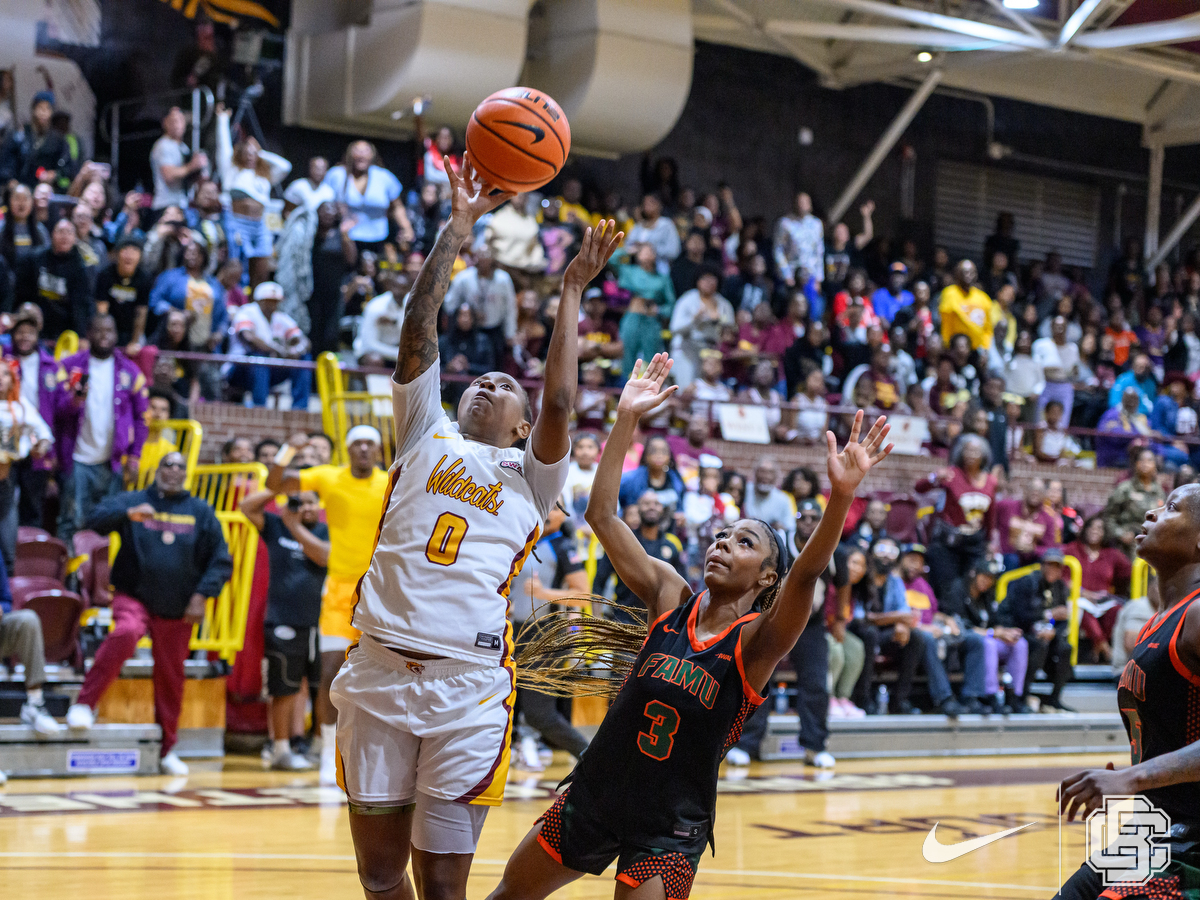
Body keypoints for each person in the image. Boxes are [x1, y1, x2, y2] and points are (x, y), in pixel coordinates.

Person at [488, 354, 890, 899]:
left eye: (744, 542)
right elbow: (602, 516)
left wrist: (841, 496)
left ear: (767, 574)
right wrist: (626, 417)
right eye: (723, 534)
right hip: (596, 792)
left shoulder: (757, 641)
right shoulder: (669, 596)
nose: (724, 542)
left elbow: (808, 573)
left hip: (670, 828)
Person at [324, 159, 606, 900]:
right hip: (379, 669)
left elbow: (562, 404)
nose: (488, 382)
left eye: (506, 385)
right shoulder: (425, 432)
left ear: (520, 425)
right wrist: (457, 228)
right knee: (380, 875)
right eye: (480, 377)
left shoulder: (534, 473)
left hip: (468, 687)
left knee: (444, 885)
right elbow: (419, 329)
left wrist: (570, 290)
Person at [1056, 484, 1200, 899]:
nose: (1153, 512)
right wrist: (1146, 770)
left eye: (1171, 508)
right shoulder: (1157, 622)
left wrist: (1136, 778)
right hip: (1156, 831)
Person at [66, 452, 232, 775]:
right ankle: (85, 703)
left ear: (186, 473)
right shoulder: (135, 500)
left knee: (172, 677)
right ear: (158, 471)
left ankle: (168, 748)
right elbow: (93, 518)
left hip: (179, 606)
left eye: (179, 466)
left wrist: (201, 596)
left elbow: (220, 560)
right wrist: (127, 513)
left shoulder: (200, 511)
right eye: (167, 465)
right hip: (134, 595)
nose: (173, 470)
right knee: (126, 632)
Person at [265, 424, 389, 786]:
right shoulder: (327, 476)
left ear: (378, 452)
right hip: (337, 592)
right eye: (357, 443)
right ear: (348, 450)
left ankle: (376, 754)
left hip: (380, 591)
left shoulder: (390, 482)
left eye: (370, 444)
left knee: (384, 675)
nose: (364, 449)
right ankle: (324, 752)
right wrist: (289, 448)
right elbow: (275, 485)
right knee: (331, 674)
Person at [240, 487, 329, 771]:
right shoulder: (277, 525)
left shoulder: (328, 530)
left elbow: (324, 557)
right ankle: (280, 749)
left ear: (319, 505)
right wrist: (275, 489)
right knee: (284, 687)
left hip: (323, 621)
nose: (304, 508)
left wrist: (294, 526)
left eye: (310, 502)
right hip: (282, 620)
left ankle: (320, 747)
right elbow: (247, 508)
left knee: (323, 687)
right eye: (298, 502)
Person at [507, 504, 591, 771]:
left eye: (557, 507)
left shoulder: (563, 547)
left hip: (545, 635)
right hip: (511, 631)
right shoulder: (519, 540)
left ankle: (593, 756)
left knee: (539, 713)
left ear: (564, 516)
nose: (548, 511)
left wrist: (544, 593)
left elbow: (583, 594)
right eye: (547, 504)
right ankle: (515, 750)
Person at [54, 315, 150, 548]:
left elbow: (142, 418)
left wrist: (135, 455)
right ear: (89, 334)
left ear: (116, 335)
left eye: (109, 331)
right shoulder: (69, 367)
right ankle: (69, 580)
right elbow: (56, 411)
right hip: (76, 459)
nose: (104, 335)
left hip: (112, 461)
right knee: (70, 521)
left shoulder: (131, 371)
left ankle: (99, 579)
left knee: (107, 523)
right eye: (98, 330)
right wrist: (74, 401)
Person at [915, 434, 998, 594]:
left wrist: (989, 541)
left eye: (975, 452)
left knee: (970, 586)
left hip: (974, 543)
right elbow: (919, 488)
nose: (971, 455)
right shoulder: (951, 474)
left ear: (984, 455)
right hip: (949, 542)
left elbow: (991, 514)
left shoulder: (990, 481)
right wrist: (934, 477)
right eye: (967, 451)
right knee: (946, 587)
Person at [996, 548, 1074, 712]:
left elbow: (1063, 619)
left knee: (1065, 648)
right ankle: (1020, 697)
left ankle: (1054, 698)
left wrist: (1053, 632)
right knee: (1038, 646)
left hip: (1043, 634)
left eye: (1057, 566)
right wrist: (1049, 614)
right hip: (1018, 630)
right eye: (1049, 565)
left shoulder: (1060, 587)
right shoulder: (1026, 582)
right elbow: (1020, 615)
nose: (1053, 569)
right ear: (1041, 565)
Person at [592, 490, 687, 623]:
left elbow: (684, 590)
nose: (652, 506)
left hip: (661, 626)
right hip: (624, 622)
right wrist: (598, 623)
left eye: (656, 503)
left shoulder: (672, 546)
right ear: (638, 509)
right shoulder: (622, 543)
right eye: (646, 503)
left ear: (663, 510)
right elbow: (598, 584)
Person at [9, 306, 62, 528]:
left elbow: (60, 409)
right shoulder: (5, 362)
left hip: (38, 439)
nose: (24, 337)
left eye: (30, 332)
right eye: (20, 331)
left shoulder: (51, 365)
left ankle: (29, 558)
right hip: (9, 435)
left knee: (33, 505)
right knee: (5, 501)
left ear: (38, 335)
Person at [226, 281, 312, 410]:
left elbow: (304, 340)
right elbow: (249, 338)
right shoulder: (247, 311)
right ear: (260, 300)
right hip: (239, 369)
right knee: (259, 357)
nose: (273, 305)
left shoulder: (280, 317)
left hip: (269, 371)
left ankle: (299, 408)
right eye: (269, 301)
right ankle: (260, 408)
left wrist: (296, 350)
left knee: (304, 359)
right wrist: (278, 349)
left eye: (275, 301)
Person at [1064, 515, 1132, 665]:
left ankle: (1097, 649)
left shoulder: (1111, 554)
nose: (1095, 531)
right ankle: (1106, 650)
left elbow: (1130, 571)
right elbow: (1062, 577)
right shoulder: (1072, 549)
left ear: (1105, 533)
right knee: (1084, 611)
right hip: (1078, 598)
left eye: (1099, 528)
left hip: (1103, 600)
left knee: (1117, 611)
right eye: (1091, 527)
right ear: (1085, 530)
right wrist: (1082, 593)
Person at [323, 141, 413, 253]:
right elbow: (324, 205)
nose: (361, 155)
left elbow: (397, 207)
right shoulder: (337, 175)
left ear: (372, 155)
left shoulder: (384, 176)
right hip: (344, 239)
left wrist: (406, 228)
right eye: (357, 151)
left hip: (379, 238)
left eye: (365, 151)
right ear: (349, 154)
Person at [15, 217, 92, 341]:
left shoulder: (80, 268)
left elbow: (81, 306)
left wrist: (81, 335)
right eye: (60, 231)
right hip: (35, 326)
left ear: (75, 239)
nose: (64, 236)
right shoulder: (34, 259)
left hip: (65, 330)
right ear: (52, 235)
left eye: (69, 233)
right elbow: (21, 294)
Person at [0, 91, 74, 188]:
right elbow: (5, 163)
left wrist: (55, 174)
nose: (43, 113)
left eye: (47, 108)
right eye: (40, 108)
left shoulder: (58, 140)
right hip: (20, 188)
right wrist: (10, 180)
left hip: (46, 190)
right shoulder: (19, 135)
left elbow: (68, 166)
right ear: (33, 109)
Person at [1104, 446, 1167, 557]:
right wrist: (1121, 534)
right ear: (1135, 464)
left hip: (1151, 546)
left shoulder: (1160, 492)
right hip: (1126, 546)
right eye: (1141, 460)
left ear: (1155, 465)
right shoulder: (1124, 488)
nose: (1145, 463)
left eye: (1149, 460)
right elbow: (1108, 517)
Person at [93, 235, 151, 354]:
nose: (129, 255)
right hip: (108, 327)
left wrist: (135, 341)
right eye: (125, 250)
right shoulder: (105, 274)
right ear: (117, 254)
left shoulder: (144, 279)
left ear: (140, 257)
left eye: (134, 251)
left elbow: (141, 312)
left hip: (129, 329)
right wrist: (105, 335)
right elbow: (101, 310)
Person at [150, 107, 207, 215]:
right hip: (166, 206)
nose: (177, 125)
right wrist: (192, 166)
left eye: (180, 120)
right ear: (165, 123)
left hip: (183, 204)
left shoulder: (183, 147)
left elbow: (188, 176)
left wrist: (200, 171)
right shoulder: (163, 145)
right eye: (173, 121)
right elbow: (169, 176)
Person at [742, 456, 796, 550]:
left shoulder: (783, 499)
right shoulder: (744, 490)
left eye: (770, 472)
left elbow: (791, 528)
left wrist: (777, 526)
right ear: (755, 473)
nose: (765, 476)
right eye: (762, 471)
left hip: (771, 546)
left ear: (776, 477)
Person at [939, 260, 994, 351]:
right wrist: (946, 343)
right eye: (964, 272)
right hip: (954, 349)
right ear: (957, 274)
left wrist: (985, 349)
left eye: (971, 272)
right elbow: (945, 322)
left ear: (976, 275)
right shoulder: (950, 293)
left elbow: (987, 329)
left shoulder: (984, 298)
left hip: (977, 349)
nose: (968, 275)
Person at [773, 191, 824, 291]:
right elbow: (778, 249)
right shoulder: (785, 223)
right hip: (791, 273)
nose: (802, 205)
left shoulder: (816, 224)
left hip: (810, 274)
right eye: (800, 202)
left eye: (805, 202)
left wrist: (819, 278)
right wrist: (786, 274)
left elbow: (819, 251)